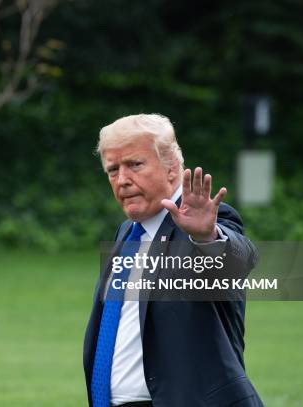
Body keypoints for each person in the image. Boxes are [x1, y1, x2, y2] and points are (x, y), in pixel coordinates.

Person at [83, 114, 264, 407]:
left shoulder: (204, 225)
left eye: (135, 164)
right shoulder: (127, 234)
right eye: (113, 169)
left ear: (172, 168)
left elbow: (238, 263)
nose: (123, 180)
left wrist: (207, 238)